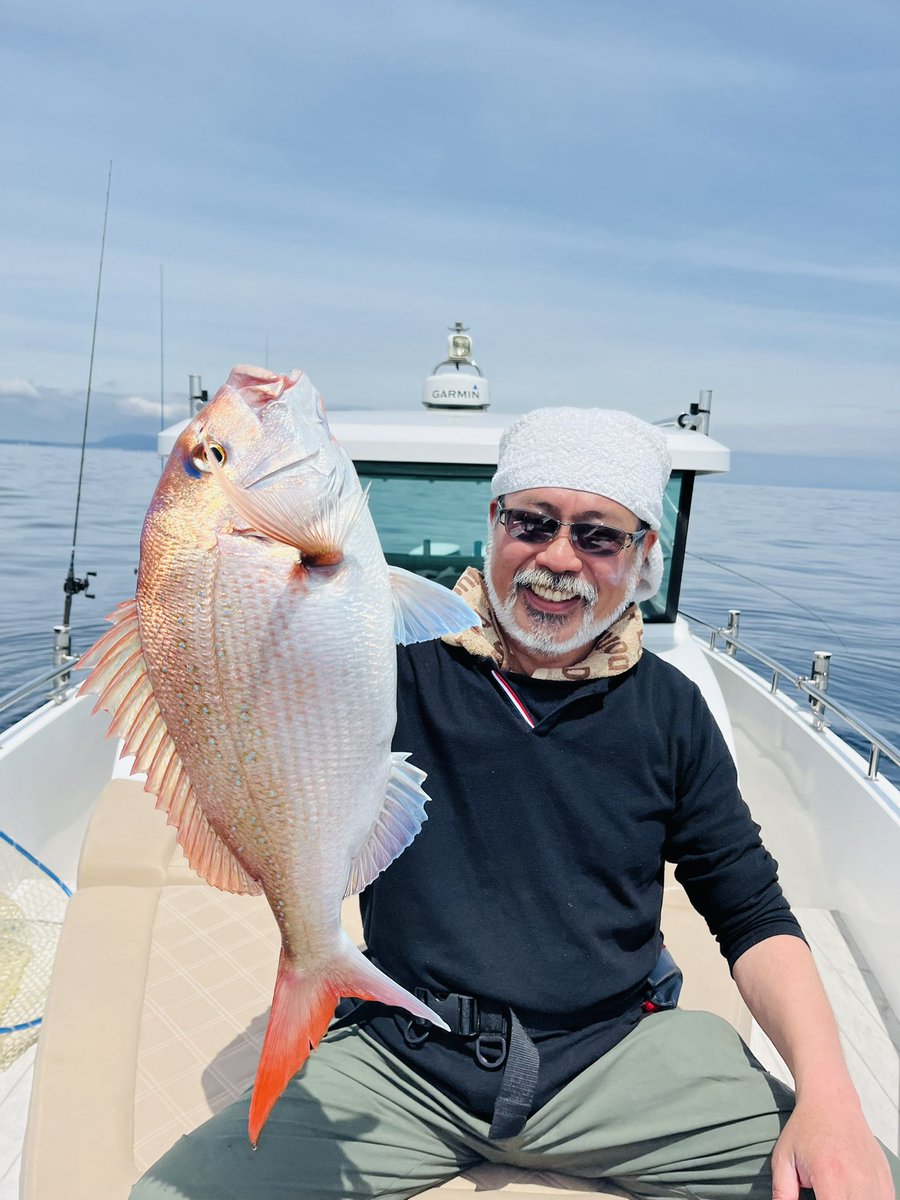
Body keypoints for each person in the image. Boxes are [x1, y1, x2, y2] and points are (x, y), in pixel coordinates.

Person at [132, 407, 898, 1200]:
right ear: (493, 524)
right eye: (531, 523)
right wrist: (238, 458)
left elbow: (752, 912)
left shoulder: (672, 711)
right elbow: (243, 637)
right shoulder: (385, 661)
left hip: (615, 1057)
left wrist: (829, 1096)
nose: (558, 558)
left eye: (599, 535)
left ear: (644, 556)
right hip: (404, 1052)